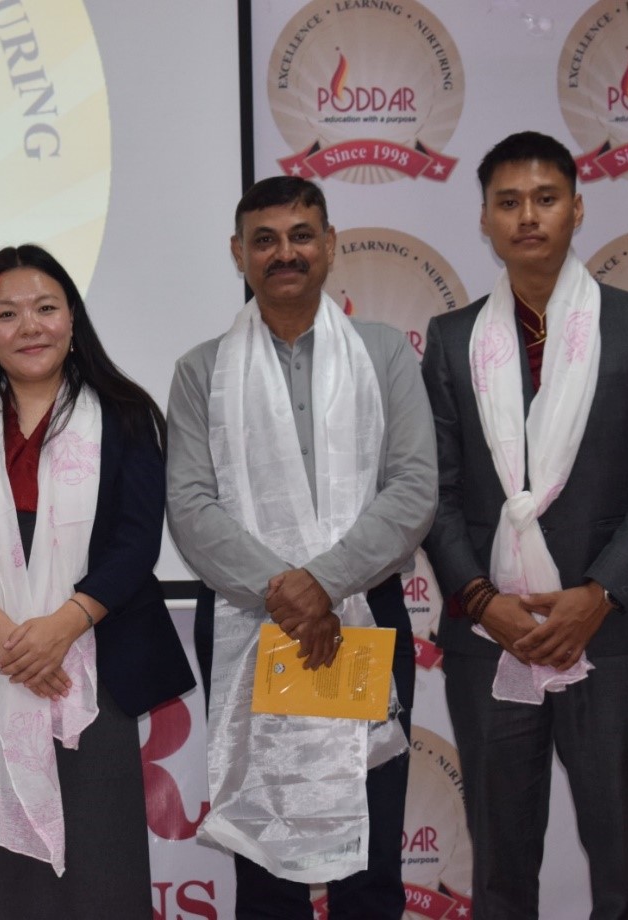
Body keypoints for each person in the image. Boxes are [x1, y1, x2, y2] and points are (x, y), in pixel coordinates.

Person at [420, 131, 628, 919]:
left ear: (577, 209)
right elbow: (435, 490)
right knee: (501, 871)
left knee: (626, 864)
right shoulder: (452, 339)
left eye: (545, 199)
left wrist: (598, 593)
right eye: (508, 202)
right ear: (484, 219)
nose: (528, 217)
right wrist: (483, 601)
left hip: (612, 632)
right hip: (490, 636)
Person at [166, 176, 437, 919]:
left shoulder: (383, 355)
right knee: (267, 856)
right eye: (265, 240)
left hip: (365, 613)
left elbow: (414, 488)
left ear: (330, 244)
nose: (284, 253)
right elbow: (190, 507)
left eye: (301, 236)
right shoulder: (201, 371)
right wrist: (287, 592)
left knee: (370, 847)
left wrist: (322, 583)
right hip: (251, 619)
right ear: (238, 254)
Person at [0, 244, 195, 919]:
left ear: (72, 319)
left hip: (89, 664)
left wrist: (61, 628)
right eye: (7, 314)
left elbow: (135, 542)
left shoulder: (124, 415)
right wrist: (7, 637)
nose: (29, 326)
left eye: (45, 308)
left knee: (95, 873)